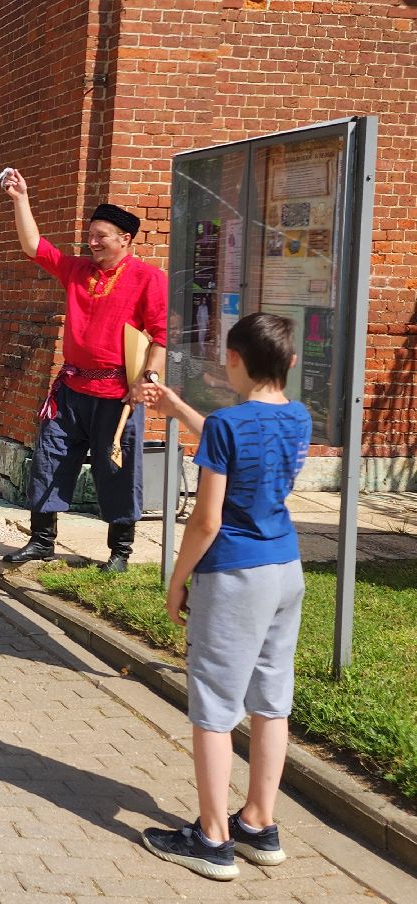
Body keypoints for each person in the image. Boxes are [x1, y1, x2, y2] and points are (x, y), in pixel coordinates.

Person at [138, 313, 311, 881]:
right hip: (286, 570)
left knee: (213, 707)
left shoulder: (227, 426)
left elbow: (206, 521)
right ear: (288, 363)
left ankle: (212, 839)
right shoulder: (299, 417)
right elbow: (236, 441)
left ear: (233, 360)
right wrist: (179, 409)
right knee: (271, 699)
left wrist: (178, 578)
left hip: (236, 577)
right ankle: (259, 825)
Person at [0, 169, 167, 573]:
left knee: (117, 469)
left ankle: (120, 552)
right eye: (90, 235)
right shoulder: (77, 271)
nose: (91, 242)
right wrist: (21, 199)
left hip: (118, 396)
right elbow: (34, 246)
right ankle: (41, 541)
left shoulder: (148, 279)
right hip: (71, 390)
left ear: (125, 240)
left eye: (101, 236)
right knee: (49, 458)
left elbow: (161, 336)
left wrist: (146, 381)